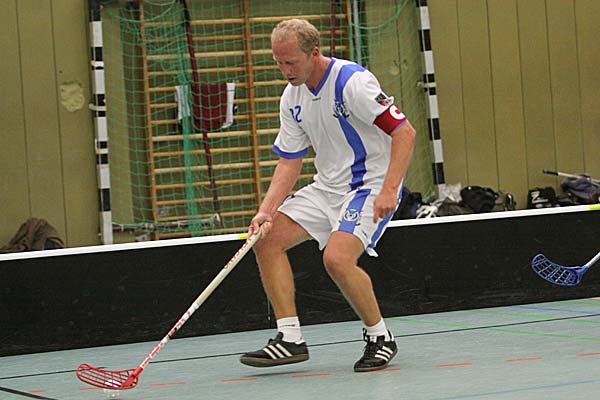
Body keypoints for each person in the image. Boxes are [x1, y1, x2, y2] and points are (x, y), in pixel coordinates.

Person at [240, 18, 416, 372]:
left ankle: (380, 337)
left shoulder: (353, 83)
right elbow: (289, 162)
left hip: (368, 186)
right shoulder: (292, 97)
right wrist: (266, 211)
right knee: (266, 239)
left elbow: (404, 132)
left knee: (337, 259)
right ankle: (290, 338)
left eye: (291, 62)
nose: (285, 71)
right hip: (327, 187)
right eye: (278, 62)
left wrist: (389, 189)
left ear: (314, 53)